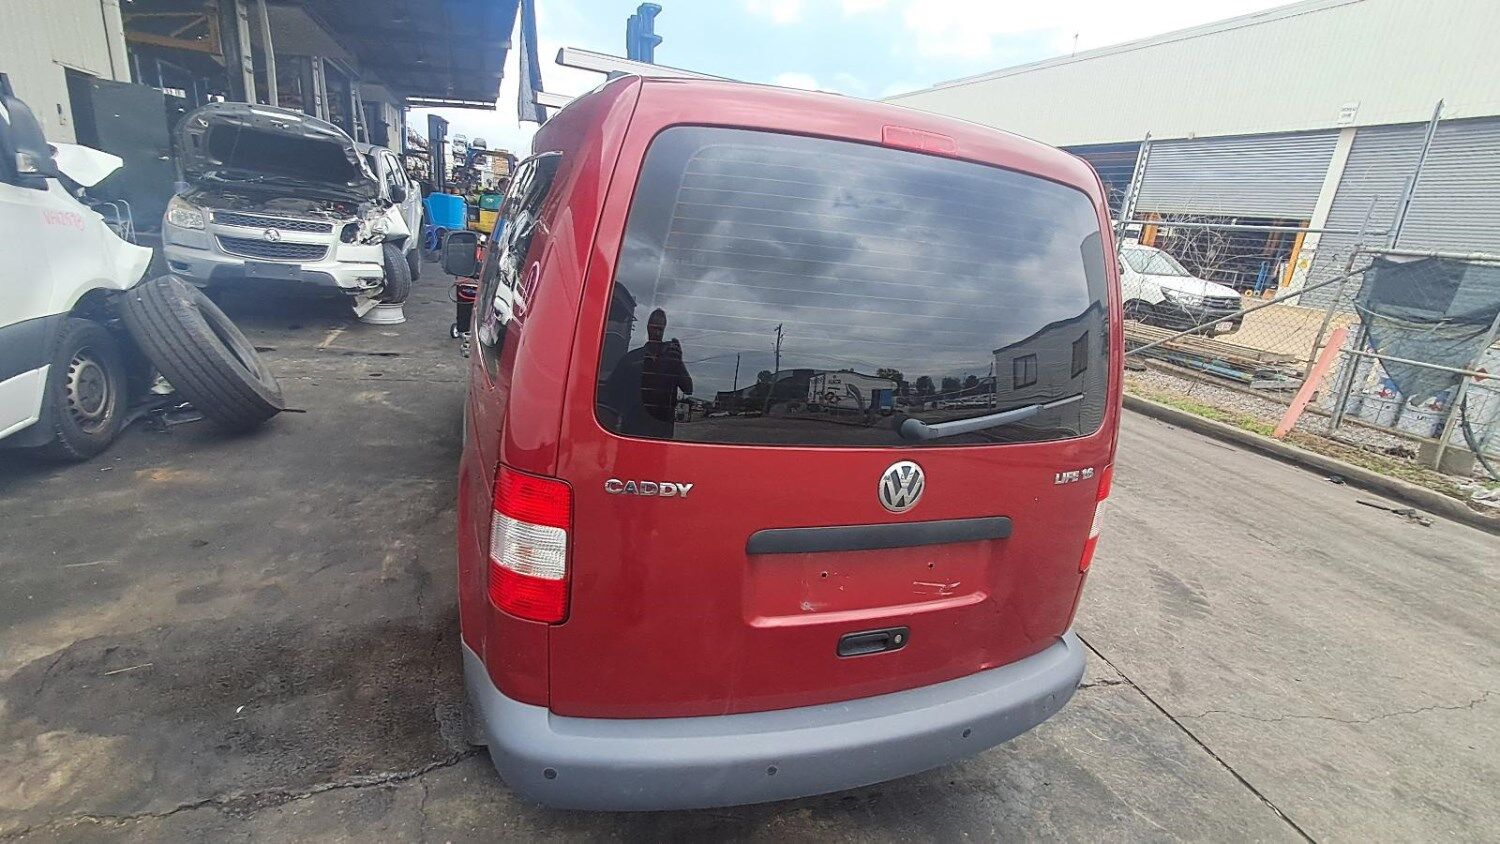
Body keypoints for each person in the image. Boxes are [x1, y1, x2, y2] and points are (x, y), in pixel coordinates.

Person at [600, 308, 693, 438]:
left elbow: (688, 389)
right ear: (648, 327)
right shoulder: (631, 359)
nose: (657, 332)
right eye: (654, 327)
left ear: (664, 329)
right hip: (631, 433)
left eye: (660, 329)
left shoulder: (672, 360)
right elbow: (612, 394)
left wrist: (678, 362)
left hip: (661, 435)